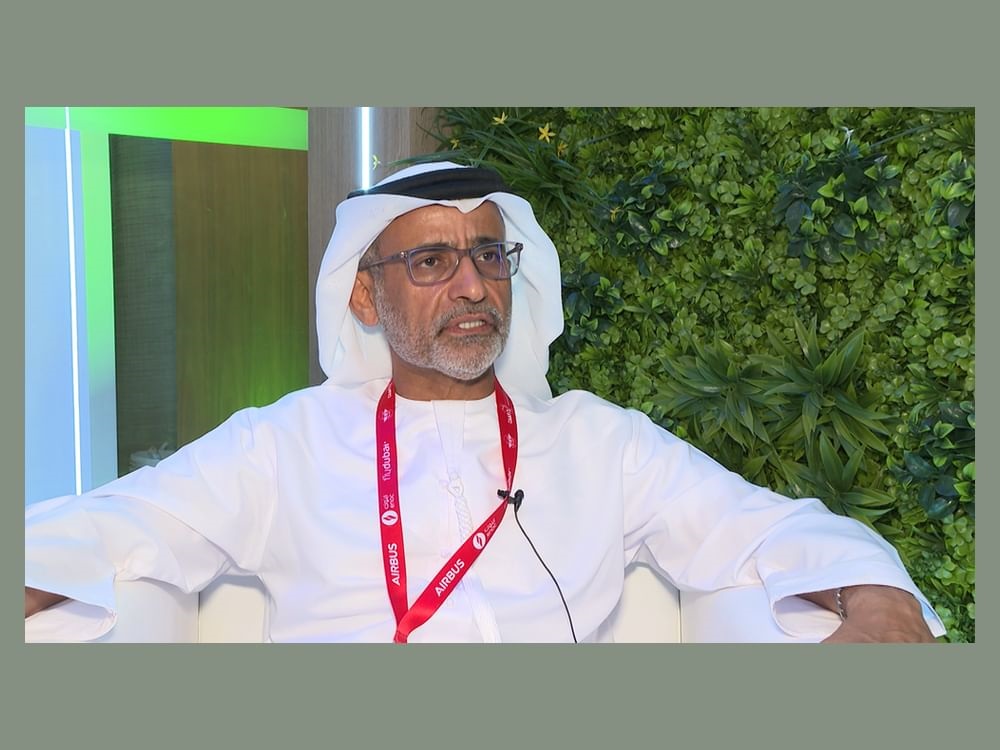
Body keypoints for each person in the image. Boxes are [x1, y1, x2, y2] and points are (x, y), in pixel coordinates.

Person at [25, 161, 943, 643]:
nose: (472, 286)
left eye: (488, 255)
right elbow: (111, 525)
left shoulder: (600, 440)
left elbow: (762, 526)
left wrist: (879, 605)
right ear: (365, 294)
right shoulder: (282, 445)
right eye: (431, 261)